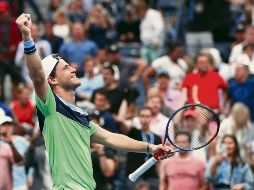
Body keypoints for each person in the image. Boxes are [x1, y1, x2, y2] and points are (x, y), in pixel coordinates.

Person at [15, 13, 171, 190]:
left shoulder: (81, 115)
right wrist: (27, 37)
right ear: (52, 80)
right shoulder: (50, 106)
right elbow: (37, 75)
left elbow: (110, 137)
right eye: (66, 68)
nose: (73, 69)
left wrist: (150, 148)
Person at [123, 106, 162, 190]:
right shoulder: (132, 132)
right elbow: (122, 124)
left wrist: (161, 177)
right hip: (134, 175)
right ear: (139, 118)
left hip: (152, 176)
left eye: (147, 116)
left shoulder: (157, 138)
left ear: (151, 118)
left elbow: (159, 162)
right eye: (142, 116)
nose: (144, 119)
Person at [0, 113, 23, 190]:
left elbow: (21, 162)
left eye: (9, 125)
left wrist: (10, 143)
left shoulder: (21, 140)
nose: (7, 127)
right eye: (4, 125)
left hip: (19, 184)